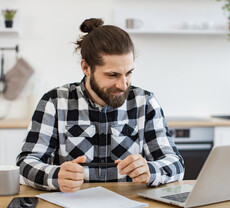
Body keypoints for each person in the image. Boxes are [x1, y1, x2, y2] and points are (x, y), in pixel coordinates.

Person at [17, 18, 184, 193]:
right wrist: (56, 175)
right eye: (112, 75)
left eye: (129, 73)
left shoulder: (145, 102)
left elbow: (175, 164)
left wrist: (149, 170)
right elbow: (25, 164)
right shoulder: (55, 102)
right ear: (86, 67)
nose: (123, 84)